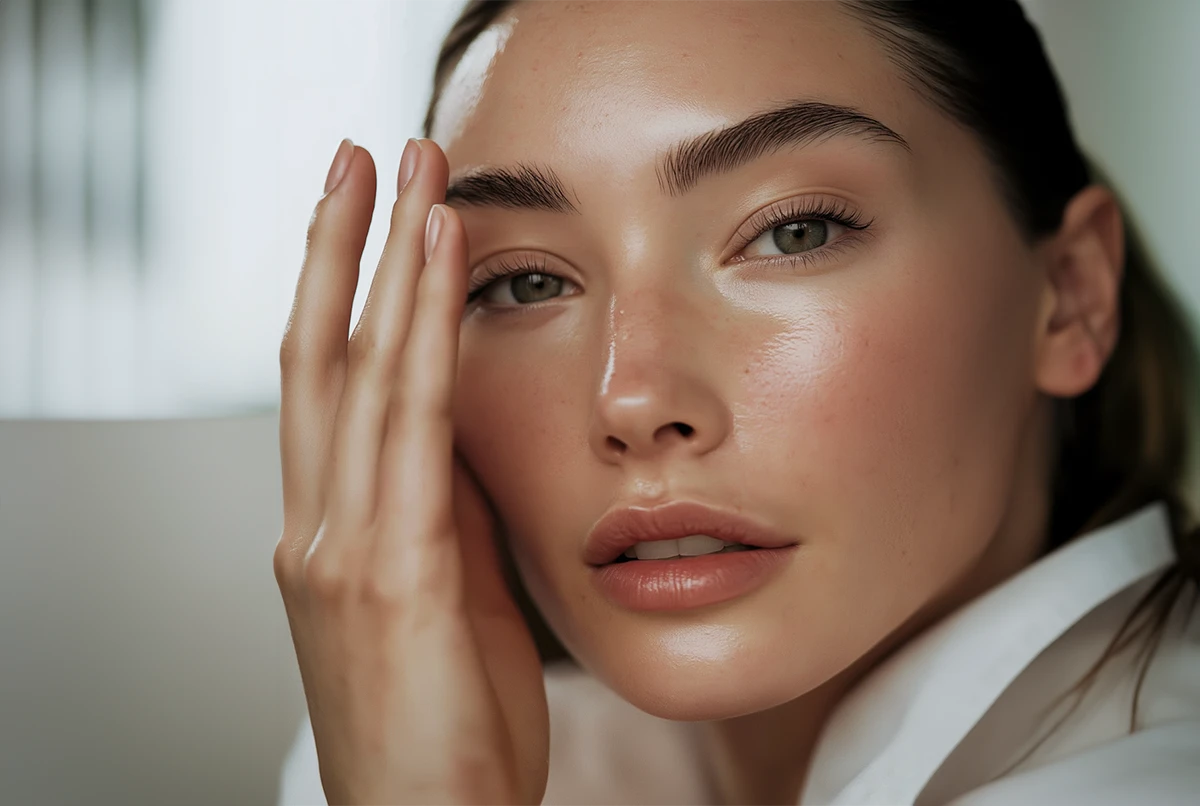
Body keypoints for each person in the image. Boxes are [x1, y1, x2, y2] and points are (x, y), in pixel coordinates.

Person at [271, 0, 1200, 803]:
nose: (632, 399)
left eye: (795, 232)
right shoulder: (410, 761)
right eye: (521, 285)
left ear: (1072, 295)